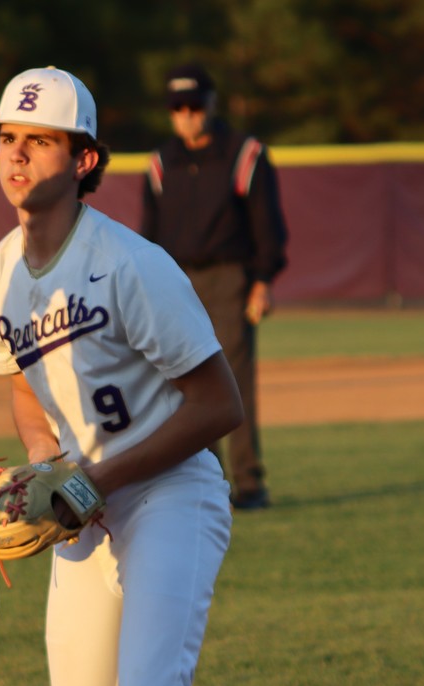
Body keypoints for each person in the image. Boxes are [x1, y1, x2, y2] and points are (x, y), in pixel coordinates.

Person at [0, 67, 244, 686]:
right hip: (88, 504)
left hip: (172, 491)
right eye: (8, 138)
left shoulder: (132, 264)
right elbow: (23, 379)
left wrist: (92, 481)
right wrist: (48, 467)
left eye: (40, 139)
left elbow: (218, 404)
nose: (17, 154)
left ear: (84, 160)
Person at [140, 62, 288, 510]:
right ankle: (207, 484)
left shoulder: (245, 153)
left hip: (229, 279)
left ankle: (249, 483)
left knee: (234, 383)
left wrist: (262, 280)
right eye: (178, 107)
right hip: (175, 281)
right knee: (181, 387)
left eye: (194, 105)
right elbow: (148, 235)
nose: (187, 114)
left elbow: (268, 224)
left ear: (211, 104)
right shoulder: (161, 162)